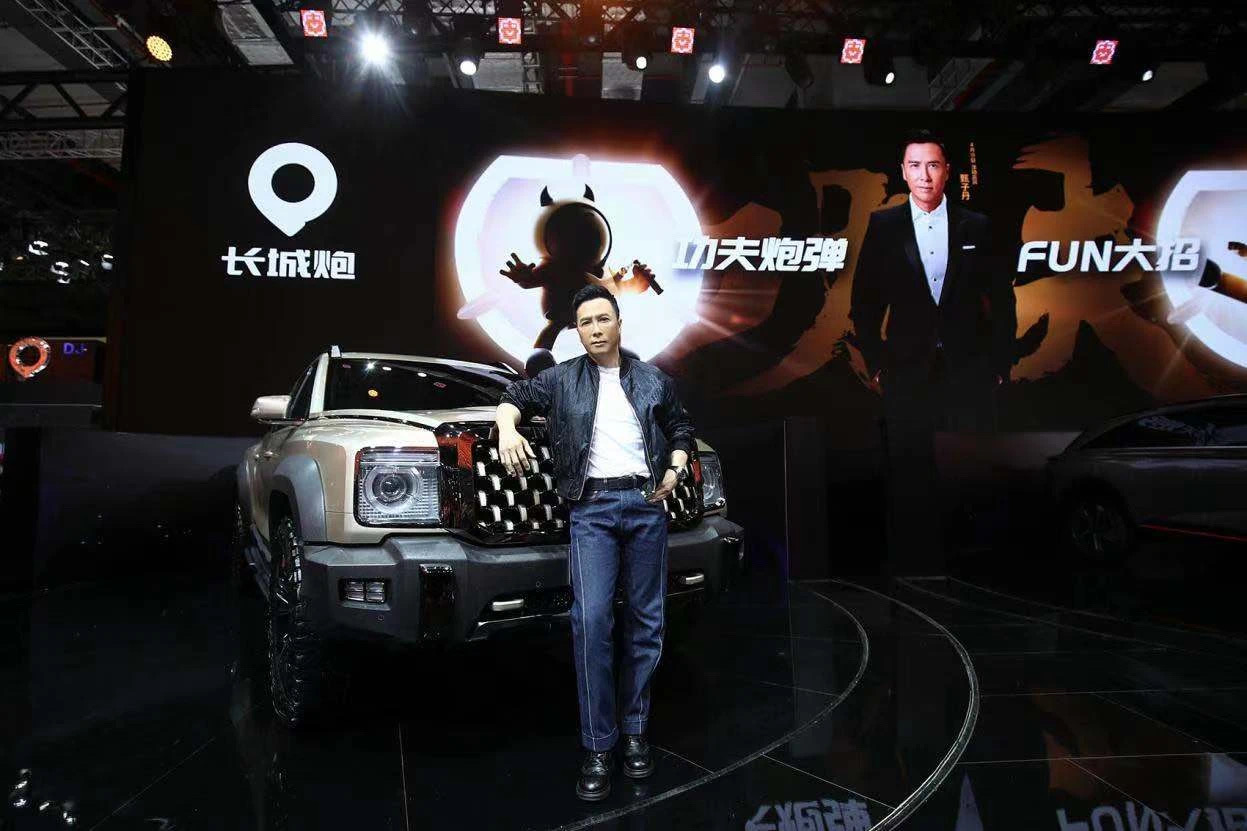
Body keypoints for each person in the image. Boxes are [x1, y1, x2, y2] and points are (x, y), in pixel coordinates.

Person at [494, 283, 695, 801]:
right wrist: (506, 429)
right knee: (592, 621)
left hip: (646, 504)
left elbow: (680, 428)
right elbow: (513, 398)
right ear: (577, 331)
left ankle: (635, 733)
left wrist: (675, 468)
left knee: (647, 621)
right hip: (593, 508)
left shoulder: (653, 379)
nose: (595, 329)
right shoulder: (560, 379)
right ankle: (599, 745)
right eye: (585, 322)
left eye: (603, 319)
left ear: (619, 323)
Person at [850, 128, 1016, 430]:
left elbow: (1003, 299)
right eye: (915, 165)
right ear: (903, 171)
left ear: (947, 171)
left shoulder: (977, 225)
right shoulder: (883, 225)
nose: (924, 176)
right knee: (910, 455)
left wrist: (999, 365)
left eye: (933, 165)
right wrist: (876, 366)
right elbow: (865, 302)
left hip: (970, 370)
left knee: (972, 455)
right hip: (904, 372)